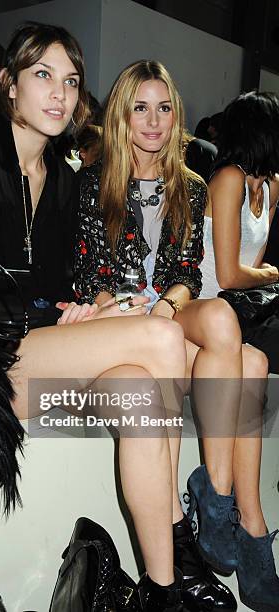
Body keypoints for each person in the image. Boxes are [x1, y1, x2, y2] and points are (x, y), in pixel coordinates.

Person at [0, 22, 207, 611]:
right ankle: (185, 532)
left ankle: (163, 590)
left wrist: (86, 306)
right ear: (9, 85)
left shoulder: (64, 183)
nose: (60, 93)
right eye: (43, 75)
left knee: (138, 393)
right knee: (164, 339)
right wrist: (50, 313)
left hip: (38, 355)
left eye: (72, 81)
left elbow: (58, 289)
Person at [75, 59, 270, 610]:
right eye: (141, 108)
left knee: (222, 319)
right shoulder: (93, 182)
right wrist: (127, 307)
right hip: (116, 321)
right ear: (122, 115)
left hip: (166, 312)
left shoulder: (190, 185)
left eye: (164, 108)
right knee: (252, 365)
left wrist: (165, 305)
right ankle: (212, 533)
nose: (154, 121)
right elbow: (88, 275)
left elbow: (187, 271)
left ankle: (217, 492)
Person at [197, 90, 279, 612]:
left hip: (239, 315)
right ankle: (226, 501)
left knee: (258, 363)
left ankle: (249, 520)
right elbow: (228, 273)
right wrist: (271, 274)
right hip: (203, 307)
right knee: (250, 356)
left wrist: (265, 275)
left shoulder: (272, 187)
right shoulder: (226, 178)